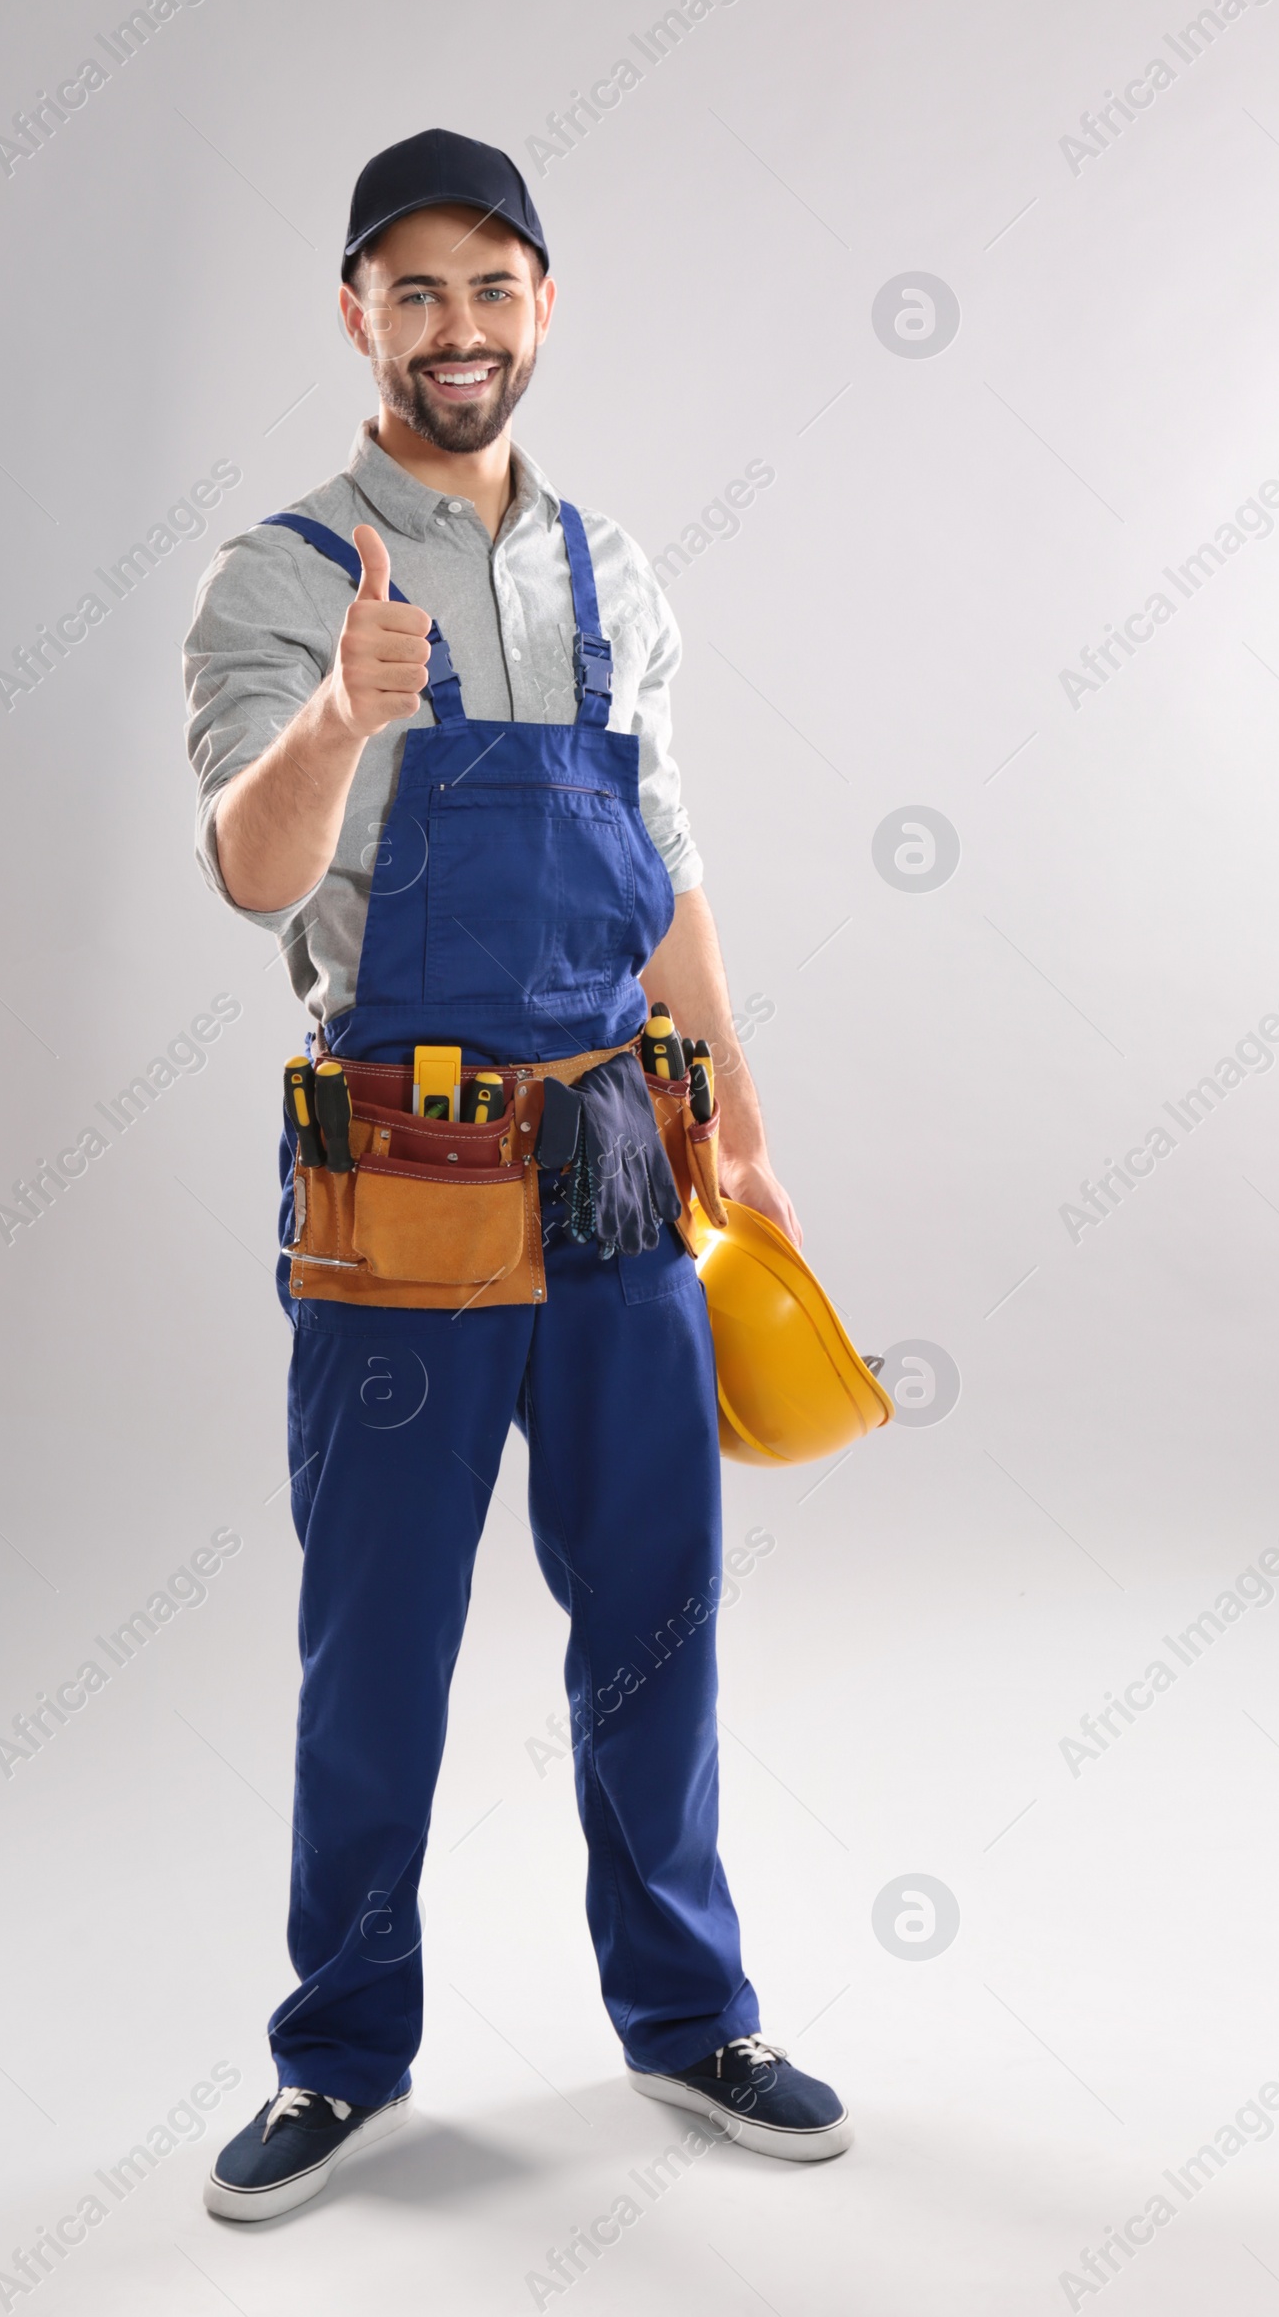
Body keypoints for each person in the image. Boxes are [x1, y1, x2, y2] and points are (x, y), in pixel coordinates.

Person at [184, 129, 850, 2222]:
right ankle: (339, 2060)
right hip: (395, 1182)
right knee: (377, 1644)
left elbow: (664, 863)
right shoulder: (280, 579)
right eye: (415, 290)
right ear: (358, 314)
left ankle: (687, 2013)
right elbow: (247, 873)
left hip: (616, 1167)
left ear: (540, 306)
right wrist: (339, 728)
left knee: (653, 1615)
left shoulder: (613, 571)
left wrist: (734, 1100)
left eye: (491, 287)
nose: (455, 329)